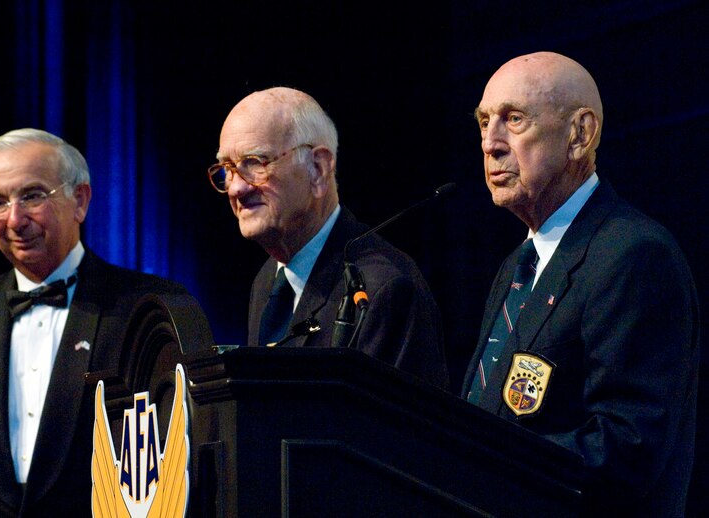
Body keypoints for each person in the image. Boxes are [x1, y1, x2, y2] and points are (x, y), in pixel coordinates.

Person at [0, 128, 214, 516]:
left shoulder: (147, 309)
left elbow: (182, 459)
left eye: (31, 196)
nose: (14, 219)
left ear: (79, 200)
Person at [462, 52, 699, 515]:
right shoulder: (518, 265)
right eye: (484, 121)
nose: (490, 143)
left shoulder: (633, 255)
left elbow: (628, 446)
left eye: (514, 120)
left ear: (579, 134)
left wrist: (482, 467)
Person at [208, 87, 447, 388]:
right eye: (228, 169)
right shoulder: (267, 279)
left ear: (318, 169)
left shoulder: (386, 290)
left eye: (254, 164)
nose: (235, 189)